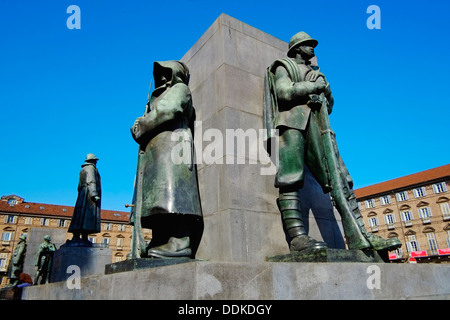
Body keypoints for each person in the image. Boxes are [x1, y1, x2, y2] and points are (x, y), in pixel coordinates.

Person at [264, 31, 401, 253]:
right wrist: (313, 87)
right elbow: (283, 93)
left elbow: (329, 105)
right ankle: (298, 238)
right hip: (293, 125)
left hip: (319, 128)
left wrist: (326, 90)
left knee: (341, 178)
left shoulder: (317, 73)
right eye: (308, 45)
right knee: (291, 177)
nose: (312, 48)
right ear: (297, 48)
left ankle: (361, 234)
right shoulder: (284, 66)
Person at [130, 60, 203, 259]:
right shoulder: (158, 97)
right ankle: (160, 240)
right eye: (159, 73)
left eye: (166, 72)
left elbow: (170, 110)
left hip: (173, 146)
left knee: (174, 196)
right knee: (157, 199)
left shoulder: (180, 89)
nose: (161, 77)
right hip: (158, 152)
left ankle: (180, 243)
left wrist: (143, 124)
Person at [68, 153, 101, 242]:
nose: (96, 162)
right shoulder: (91, 169)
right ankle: (84, 237)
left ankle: (77, 236)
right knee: (87, 216)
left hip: (82, 194)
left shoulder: (83, 169)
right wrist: (94, 194)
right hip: (88, 195)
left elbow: (79, 186)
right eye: (95, 161)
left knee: (79, 216)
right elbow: (91, 181)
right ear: (93, 161)